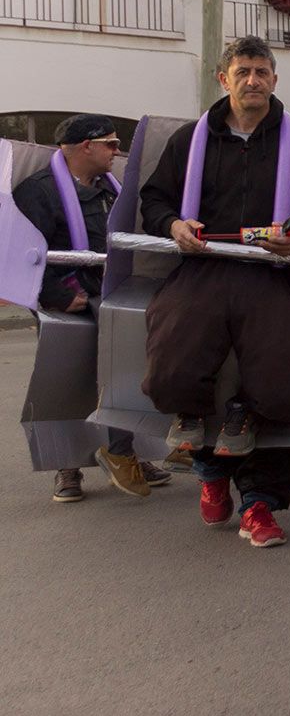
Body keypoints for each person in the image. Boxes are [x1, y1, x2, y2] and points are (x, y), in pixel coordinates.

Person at [140, 36, 290, 548]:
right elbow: (154, 200)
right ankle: (209, 470)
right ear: (223, 79)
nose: (253, 80)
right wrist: (172, 225)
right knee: (173, 362)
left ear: (274, 79)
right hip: (203, 271)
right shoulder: (190, 140)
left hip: (272, 275)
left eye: (261, 71)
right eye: (243, 71)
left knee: (281, 376)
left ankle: (260, 504)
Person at [13, 114, 171, 502]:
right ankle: (67, 466)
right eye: (112, 144)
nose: (118, 152)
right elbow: (22, 252)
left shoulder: (111, 190)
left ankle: (131, 453)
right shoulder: (37, 191)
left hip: (110, 296)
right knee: (68, 382)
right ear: (87, 146)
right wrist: (57, 296)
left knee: (127, 371)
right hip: (65, 303)